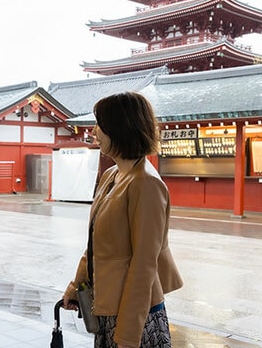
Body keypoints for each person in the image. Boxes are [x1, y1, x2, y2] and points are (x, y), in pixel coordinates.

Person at [63, 91, 183, 348]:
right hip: (107, 305)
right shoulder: (111, 175)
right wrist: (77, 286)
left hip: (135, 315)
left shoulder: (146, 184)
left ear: (120, 129)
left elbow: (144, 265)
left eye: (100, 125)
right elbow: (94, 244)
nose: (94, 131)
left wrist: (128, 334)